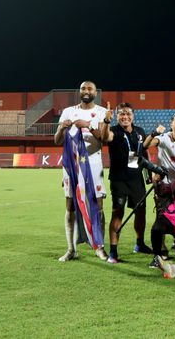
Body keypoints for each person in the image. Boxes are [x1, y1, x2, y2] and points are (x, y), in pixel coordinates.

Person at [53, 81, 109, 261]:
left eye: (89, 89)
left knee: (98, 207)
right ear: (79, 91)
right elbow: (57, 140)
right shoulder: (68, 111)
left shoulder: (101, 112)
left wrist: (87, 125)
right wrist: (62, 127)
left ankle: (99, 246)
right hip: (72, 166)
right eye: (83, 88)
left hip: (93, 166)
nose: (86, 91)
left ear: (95, 92)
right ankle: (71, 249)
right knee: (70, 205)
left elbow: (104, 139)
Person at [100, 102, 152, 263]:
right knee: (118, 212)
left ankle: (140, 243)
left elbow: (145, 152)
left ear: (133, 116)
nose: (125, 116)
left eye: (128, 113)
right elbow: (104, 137)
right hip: (119, 179)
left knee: (141, 212)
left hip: (136, 179)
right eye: (121, 113)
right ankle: (113, 252)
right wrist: (106, 122)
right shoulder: (113, 130)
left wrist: (148, 174)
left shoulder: (140, 131)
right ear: (117, 116)